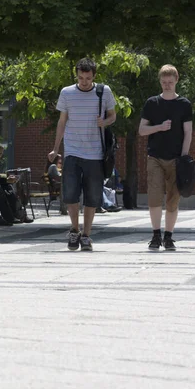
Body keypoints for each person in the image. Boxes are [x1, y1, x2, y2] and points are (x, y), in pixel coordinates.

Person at [48, 58, 117, 251]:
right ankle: (74, 230)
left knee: (92, 196)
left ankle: (86, 235)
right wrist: (56, 148)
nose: (84, 81)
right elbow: (62, 122)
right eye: (80, 78)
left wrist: (105, 122)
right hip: (72, 151)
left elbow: (113, 115)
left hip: (95, 153)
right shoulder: (67, 93)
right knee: (70, 193)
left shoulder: (104, 91)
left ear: (94, 76)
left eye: (87, 78)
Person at [139, 64, 193, 251]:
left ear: (177, 80)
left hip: (177, 158)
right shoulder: (152, 103)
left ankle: (168, 237)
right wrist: (159, 127)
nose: (167, 85)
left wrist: (184, 157)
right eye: (164, 82)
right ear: (160, 81)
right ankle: (155, 235)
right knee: (154, 198)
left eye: (170, 82)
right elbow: (142, 130)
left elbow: (188, 132)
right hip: (155, 156)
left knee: (172, 199)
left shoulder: (184, 104)